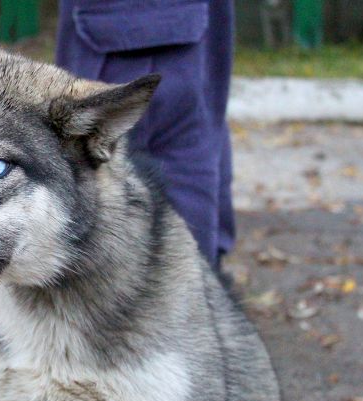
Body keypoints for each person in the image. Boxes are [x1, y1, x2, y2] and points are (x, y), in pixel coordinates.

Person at [55, 0, 236, 268]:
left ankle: (190, 290)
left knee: (97, 165)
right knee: (196, 134)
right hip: (171, 22)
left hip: (126, 22)